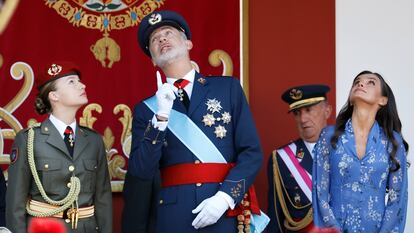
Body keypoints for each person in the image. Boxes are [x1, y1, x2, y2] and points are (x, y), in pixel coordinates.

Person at [127, 10, 265, 233]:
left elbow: (251, 152)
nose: (162, 38)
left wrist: (225, 198)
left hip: (223, 210)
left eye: (168, 32)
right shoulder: (147, 109)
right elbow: (141, 171)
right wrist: (161, 118)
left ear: (188, 43)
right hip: (174, 217)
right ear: (152, 59)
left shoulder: (227, 88)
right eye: (154, 39)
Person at [6, 61, 112, 233]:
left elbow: (103, 199)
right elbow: (15, 203)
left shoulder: (94, 141)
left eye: (79, 81)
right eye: (72, 81)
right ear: (53, 96)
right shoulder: (29, 139)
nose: (82, 85)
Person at [312, 71, 409, 233]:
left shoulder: (393, 142)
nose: (361, 84)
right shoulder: (328, 137)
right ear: (350, 98)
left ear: (383, 100)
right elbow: (319, 194)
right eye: (357, 82)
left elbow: (397, 200)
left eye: (370, 82)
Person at [267, 85, 332, 233]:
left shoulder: (348, 151)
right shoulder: (281, 159)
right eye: (297, 113)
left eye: (309, 110)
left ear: (327, 111)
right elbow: (276, 217)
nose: (303, 119)